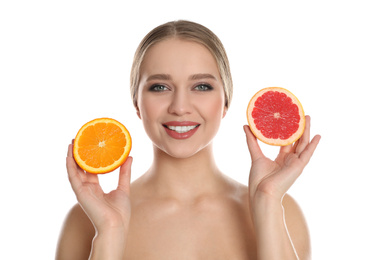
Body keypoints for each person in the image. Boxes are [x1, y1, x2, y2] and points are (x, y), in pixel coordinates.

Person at [56, 20, 321, 260]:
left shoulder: (282, 213)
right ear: (136, 103)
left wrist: (268, 200)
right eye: (159, 87)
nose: (180, 107)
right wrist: (110, 234)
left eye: (202, 86)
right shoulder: (86, 220)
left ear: (225, 101)